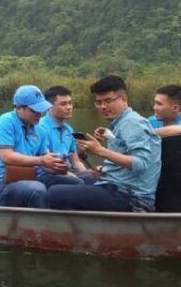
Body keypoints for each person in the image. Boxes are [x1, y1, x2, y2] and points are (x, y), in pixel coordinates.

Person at [48, 75, 162, 212]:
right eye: (99, 102)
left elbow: (140, 164)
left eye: (108, 101)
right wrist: (104, 170)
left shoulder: (132, 123)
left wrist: (99, 151)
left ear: (124, 99)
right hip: (117, 186)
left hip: (130, 198)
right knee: (76, 179)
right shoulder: (122, 122)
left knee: (54, 193)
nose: (103, 107)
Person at [0, 85, 63, 208]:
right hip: (5, 182)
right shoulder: (5, 121)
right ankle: (39, 226)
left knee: (74, 182)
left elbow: (45, 163)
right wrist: (41, 160)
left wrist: (56, 166)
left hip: (31, 177)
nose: (39, 114)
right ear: (19, 108)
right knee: (37, 190)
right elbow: (7, 157)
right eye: (35, 110)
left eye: (42, 110)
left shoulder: (40, 130)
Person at [37, 86, 94, 187]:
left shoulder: (68, 130)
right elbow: (49, 166)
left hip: (67, 172)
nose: (69, 107)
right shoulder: (41, 128)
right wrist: (74, 177)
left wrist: (88, 172)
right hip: (47, 175)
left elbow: (76, 162)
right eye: (64, 104)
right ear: (49, 106)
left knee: (96, 177)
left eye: (70, 103)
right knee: (78, 182)